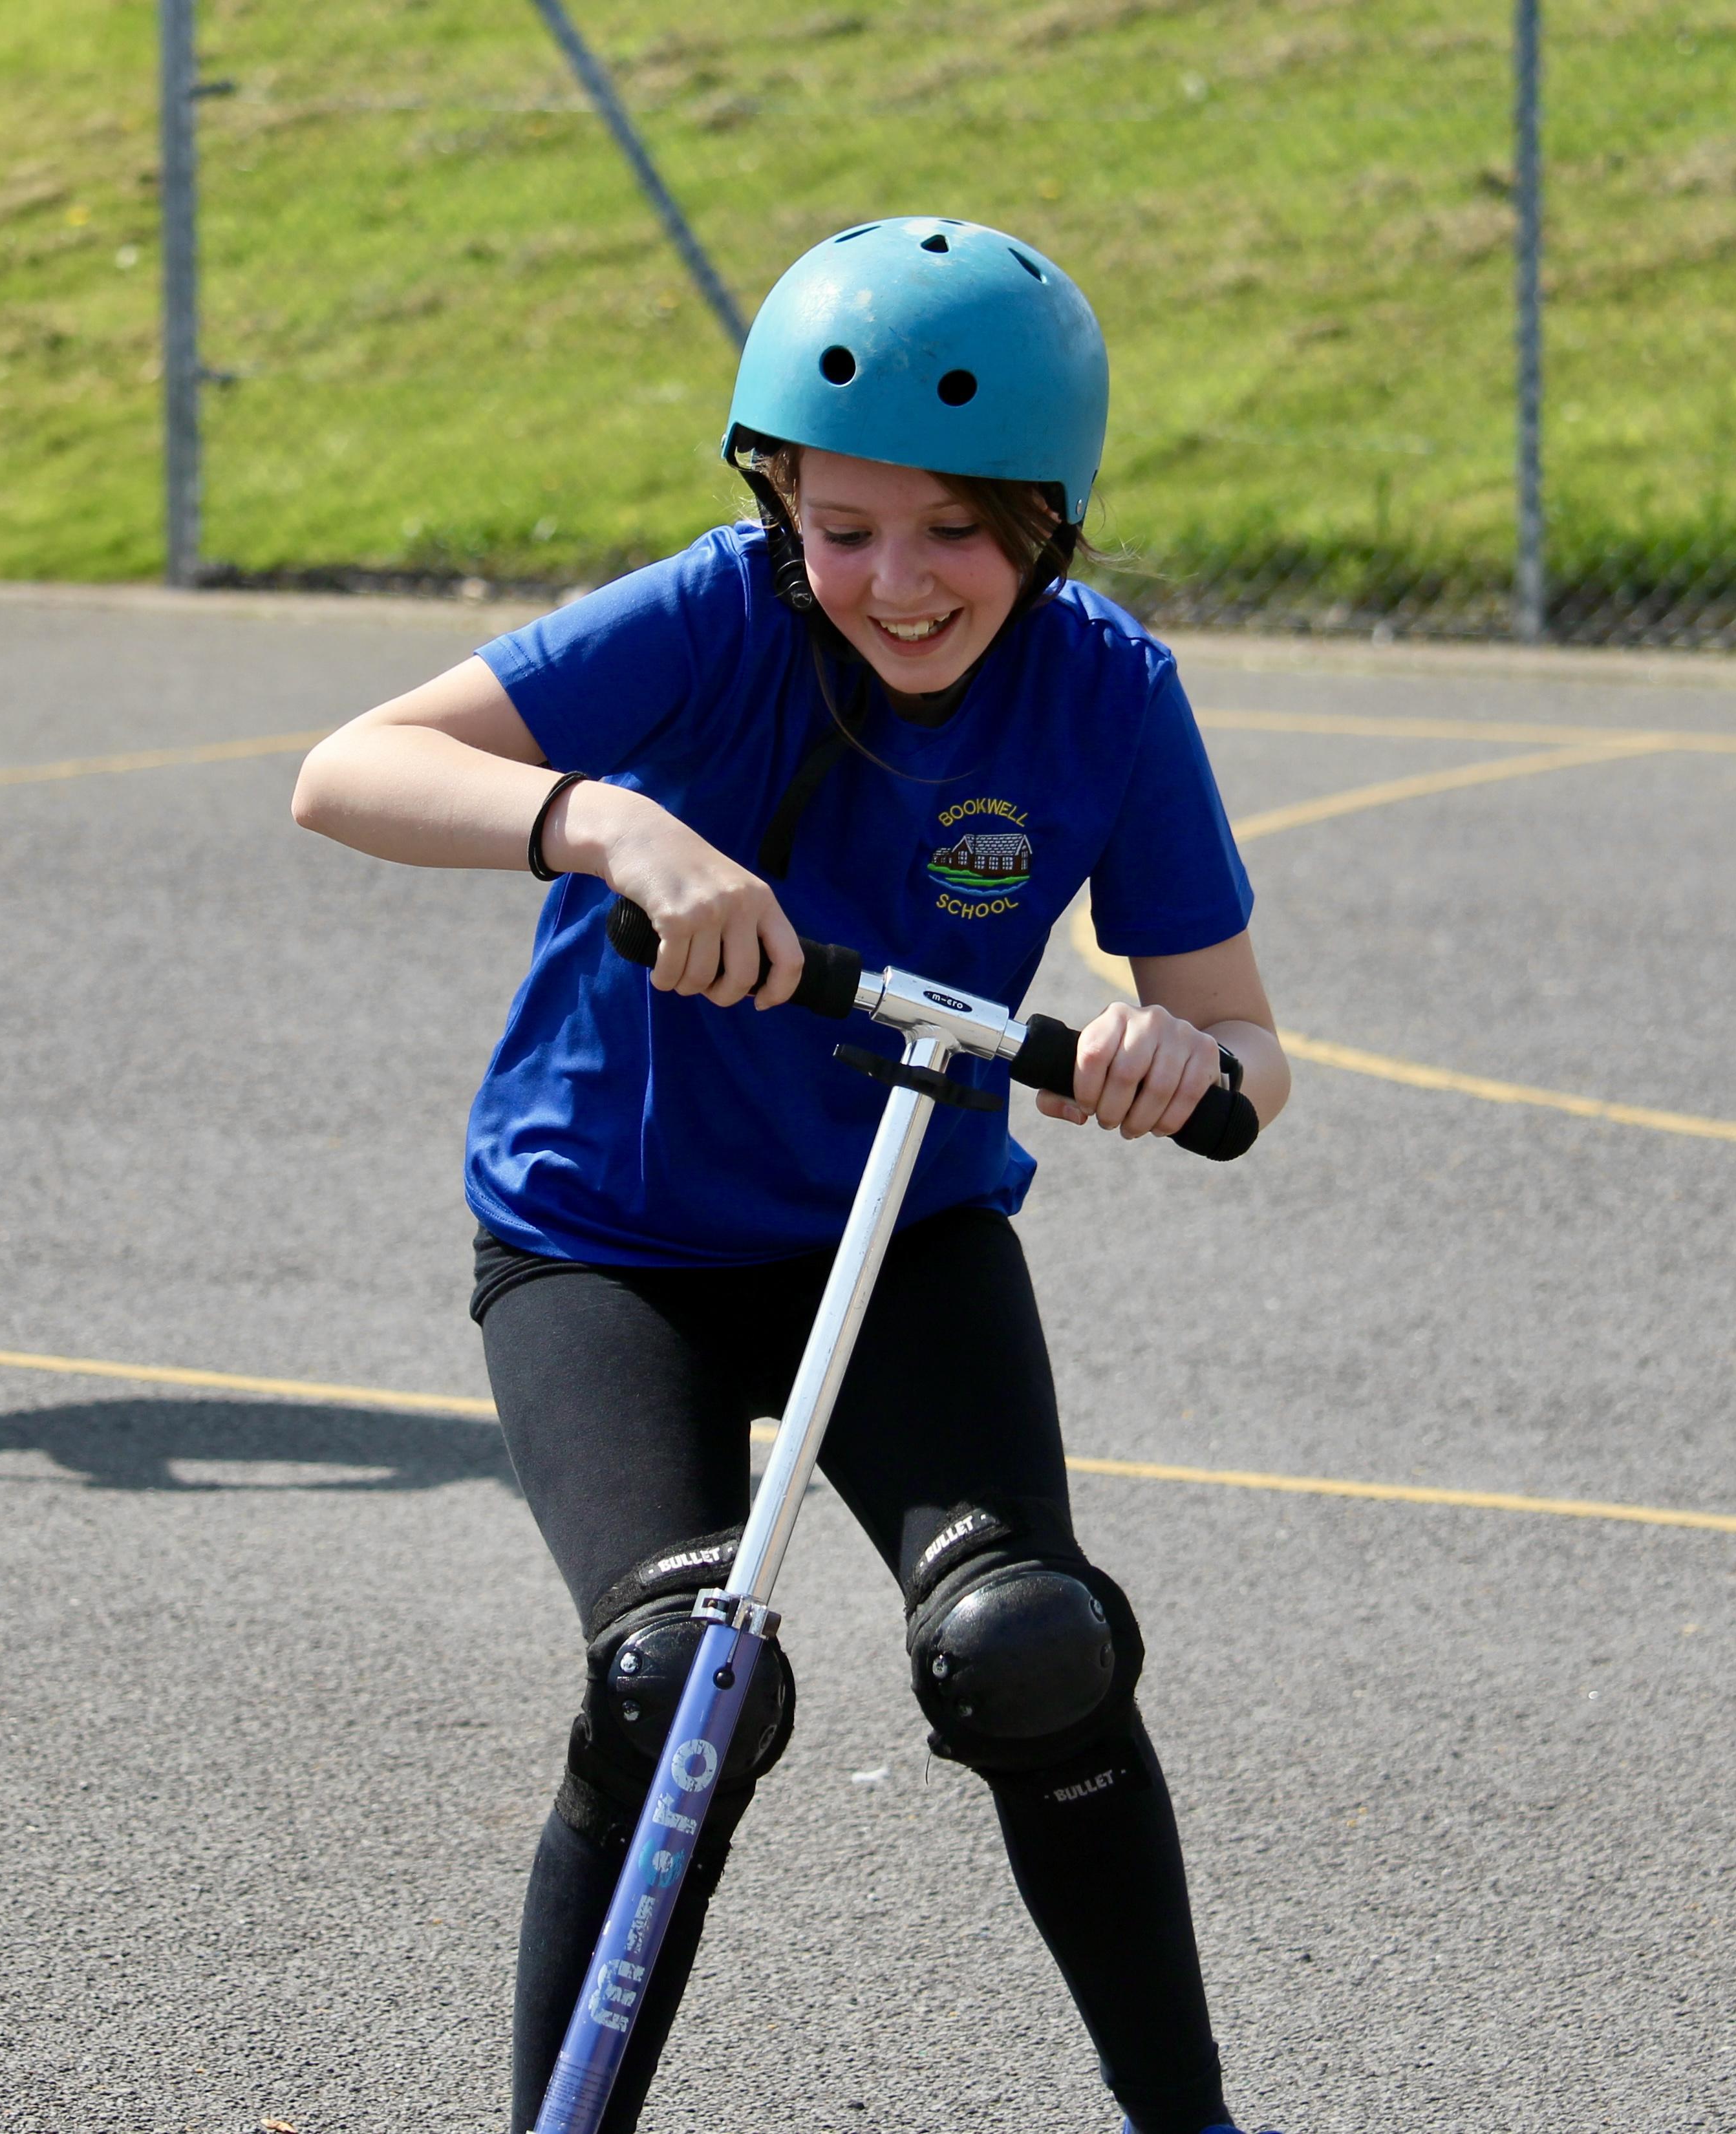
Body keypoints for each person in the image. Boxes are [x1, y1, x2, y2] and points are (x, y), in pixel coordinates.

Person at [292, 217, 1291, 2134]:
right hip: (607, 1241)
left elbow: (1245, 1044)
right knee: (678, 1681)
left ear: (1051, 520)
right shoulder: (713, 614)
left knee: (1030, 1648)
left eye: (955, 532)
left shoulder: (1106, 689)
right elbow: (347, 770)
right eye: (844, 528)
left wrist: (1175, 1054)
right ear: (781, 507)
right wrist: (610, 825)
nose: (896, 584)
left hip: (901, 1229)